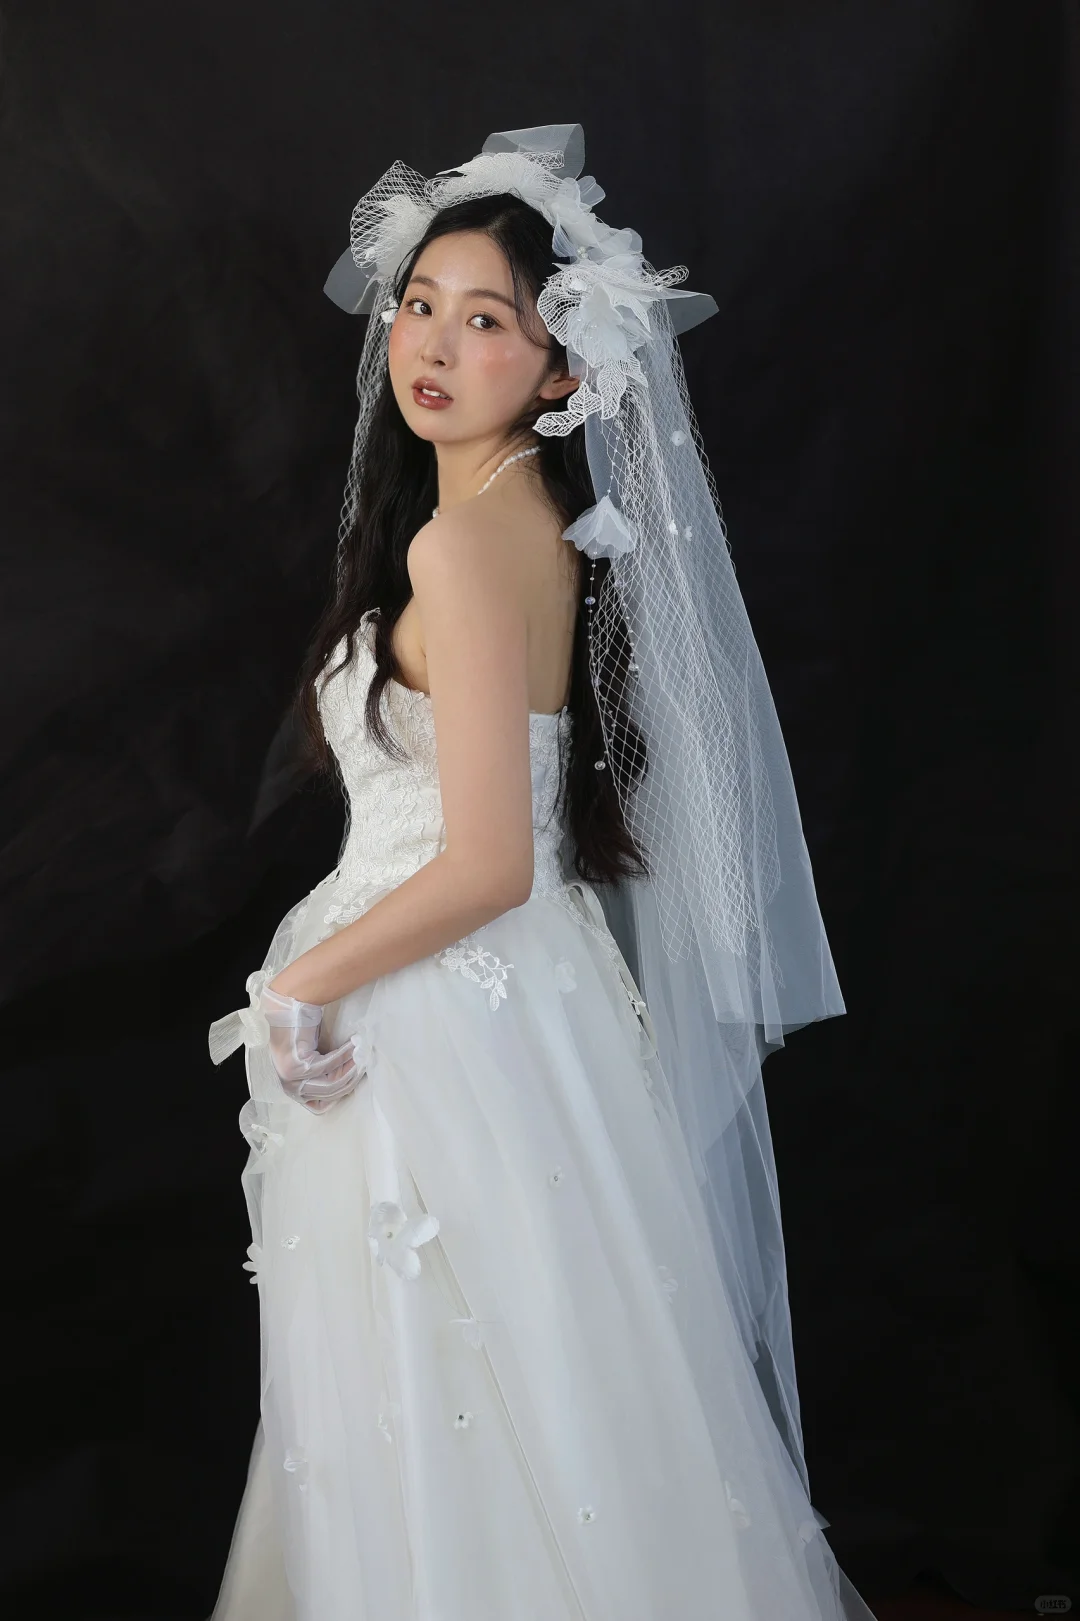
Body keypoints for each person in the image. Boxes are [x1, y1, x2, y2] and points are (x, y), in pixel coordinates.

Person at [207, 124, 878, 1621]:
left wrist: (301, 982)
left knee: (444, 1389)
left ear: (565, 369)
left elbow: (491, 860)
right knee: (532, 1384)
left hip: (435, 1009)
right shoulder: (529, 528)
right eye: (421, 306)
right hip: (515, 1004)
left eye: (488, 321)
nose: (435, 345)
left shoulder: (462, 549)